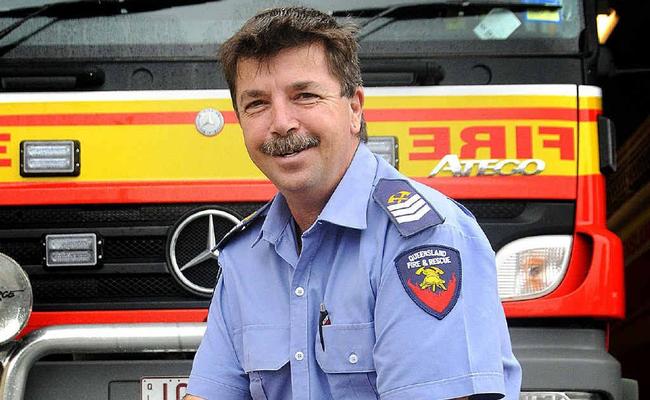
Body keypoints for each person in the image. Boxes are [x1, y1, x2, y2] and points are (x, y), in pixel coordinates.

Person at [185, 6, 521, 400]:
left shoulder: (421, 241)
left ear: (354, 108)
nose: (280, 122)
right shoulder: (247, 257)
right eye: (256, 104)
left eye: (305, 96)